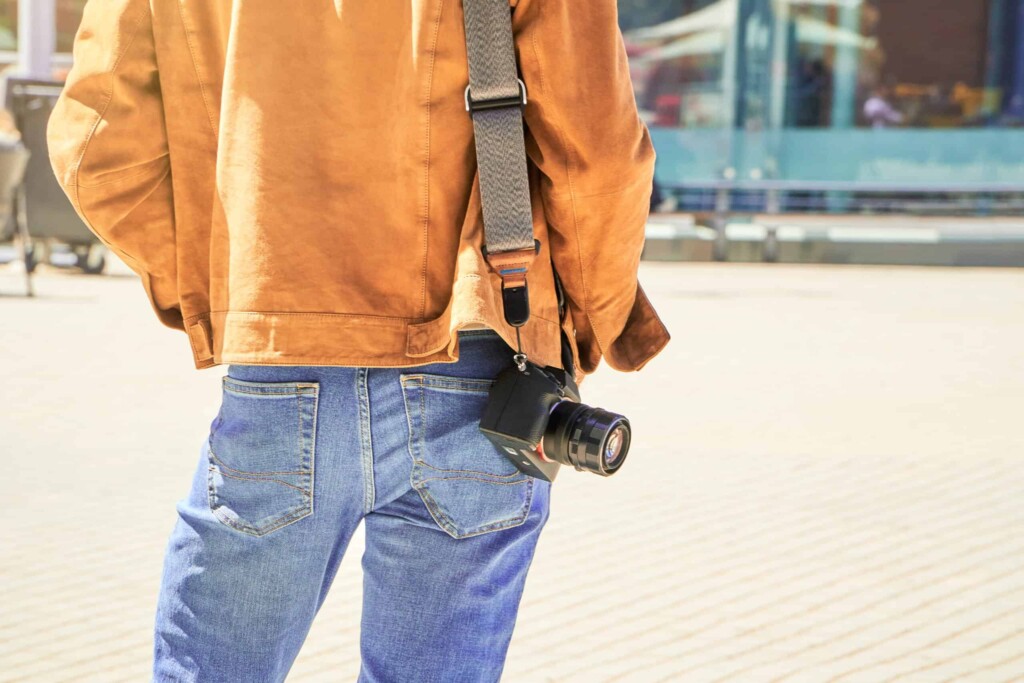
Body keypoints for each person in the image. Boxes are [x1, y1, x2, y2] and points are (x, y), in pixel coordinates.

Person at [46, 0, 670, 680]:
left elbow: (97, 148)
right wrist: (589, 323)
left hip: (282, 362)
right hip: (482, 373)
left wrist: (234, 292)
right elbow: (597, 157)